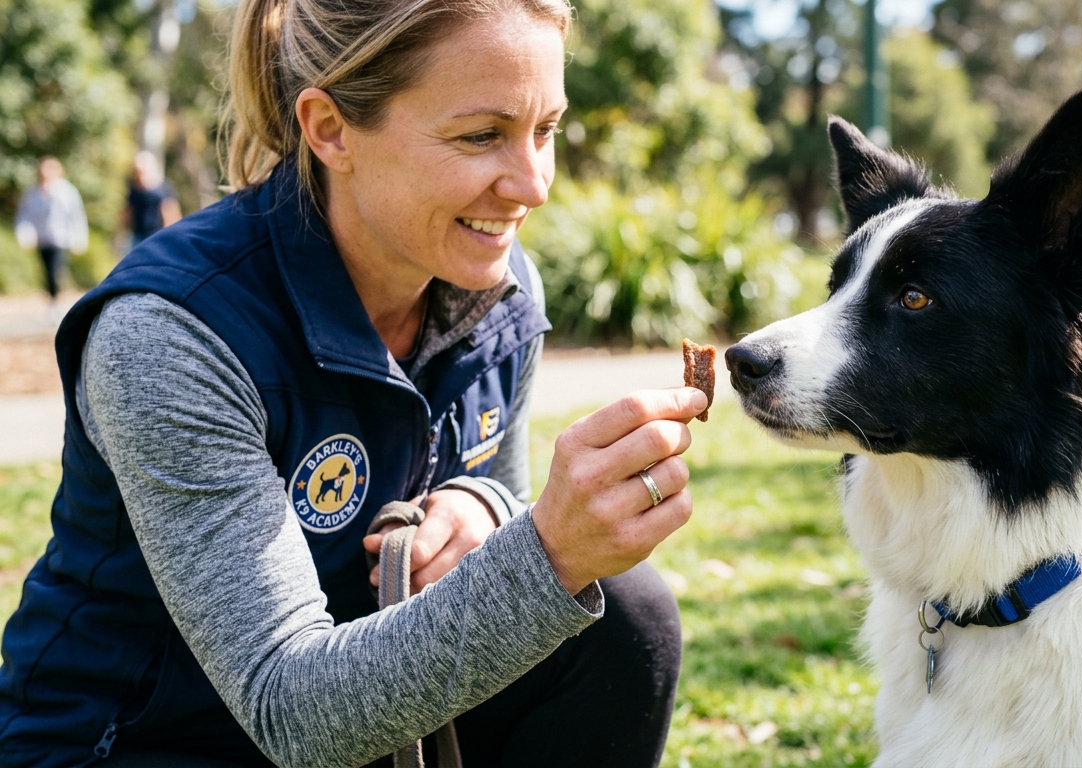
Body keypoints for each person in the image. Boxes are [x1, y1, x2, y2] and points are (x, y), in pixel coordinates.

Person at [0, 0, 703, 766]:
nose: (533, 186)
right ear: (331, 129)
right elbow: (290, 707)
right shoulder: (171, 332)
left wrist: (487, 504)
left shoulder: (502, 290)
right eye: (482, 136)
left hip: (362, 725)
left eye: (546, 130)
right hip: (147, 745)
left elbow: (497, 521)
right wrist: (552, 553)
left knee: (623, 618)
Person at [14, 156, 88, 318]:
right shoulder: (32, 193)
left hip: (60, 239)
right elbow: (25, 215)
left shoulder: (67, 191)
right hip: (42, 239)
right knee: (46, 271)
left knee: (55, 270)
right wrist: (24, 233)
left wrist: (79, 237)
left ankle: (55, 300)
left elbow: (76, 216)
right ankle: (52, 298)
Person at [123, 150, 182, 248]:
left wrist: (170, 235)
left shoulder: (162, 189)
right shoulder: (134, 189)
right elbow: (128, 211)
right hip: (138, 234)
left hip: (157, 234)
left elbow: (170, 213)